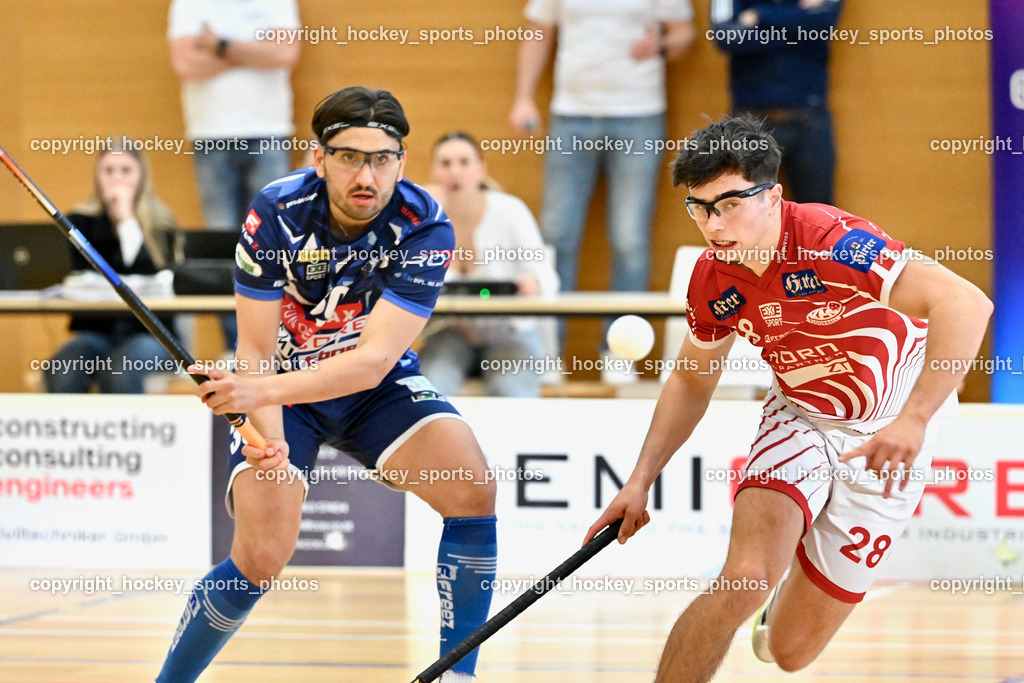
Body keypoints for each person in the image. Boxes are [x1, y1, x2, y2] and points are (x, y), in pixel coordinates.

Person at [585, 115, 992, 681]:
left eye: (729, 203)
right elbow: (691, 379)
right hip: (801, 417)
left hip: (889, 430)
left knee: (790, 652)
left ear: (773, 196)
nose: (712, 223)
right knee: (743, 582)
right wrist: (638, 480)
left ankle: (784, 594)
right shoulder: (713, 279)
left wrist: (914, 420)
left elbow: (967, 304)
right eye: (700, 207)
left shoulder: (835, 243)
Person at [155, 87, 496, 683]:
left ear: (401, 162)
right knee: (260, 557)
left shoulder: (425, 226)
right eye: (348, 157)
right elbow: (256, 349)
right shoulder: (275, 212)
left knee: (472, 488)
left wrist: (252, 393)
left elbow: (371, 362)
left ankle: (457, 676)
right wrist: (265, 423)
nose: (366, 174)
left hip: (372, 387)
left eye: (382, 159)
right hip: (283, 388)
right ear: (319, 158)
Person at [509, 0, 696, 297]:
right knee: (556, 233)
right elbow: (539, 31)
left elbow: (684, 34)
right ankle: (549, 342)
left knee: (629, 239)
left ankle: (623, 342)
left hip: (639, 117)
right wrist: (523, 98)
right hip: (570, 116)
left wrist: (661, 44)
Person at [167, 0, 301, 350]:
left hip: (269, 133)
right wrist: (255, 51)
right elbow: (185, 62)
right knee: (224, 248)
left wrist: (220, 45)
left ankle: (274, 347)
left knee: (273, 242)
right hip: (211, 136)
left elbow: (284, 54)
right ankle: (236, 348)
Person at [419, 131, 559, 397]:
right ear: (433, 171)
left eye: (464, 162)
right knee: (430, 392)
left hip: (509, 332)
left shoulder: (510, 211)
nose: (454, 172)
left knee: (512, 391)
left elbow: (547, 277)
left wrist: (534, 284)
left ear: (481, 169)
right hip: (449, 333)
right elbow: (397, 277)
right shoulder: (424, 217)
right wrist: (419, 219)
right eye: (445, 164)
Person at [44, 141, 176, 394]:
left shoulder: (162, 224)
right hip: (97, 331)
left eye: (126, 171)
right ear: (98, 177)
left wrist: (127, 220)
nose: (117, 179)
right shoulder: (80, 222)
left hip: (151, 335)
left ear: (141, 176)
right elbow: (77, 278)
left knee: (121, 370)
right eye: (108, 171)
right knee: (64, 366)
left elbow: (156, 275)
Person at [711, 0, 842, 204]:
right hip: (749, 122)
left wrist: (759, 14)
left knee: (819, 215)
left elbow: (825, 19)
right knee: (742, 210)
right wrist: (799, 24)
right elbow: (727, 37)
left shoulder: (758, 13)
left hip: (809, 119)